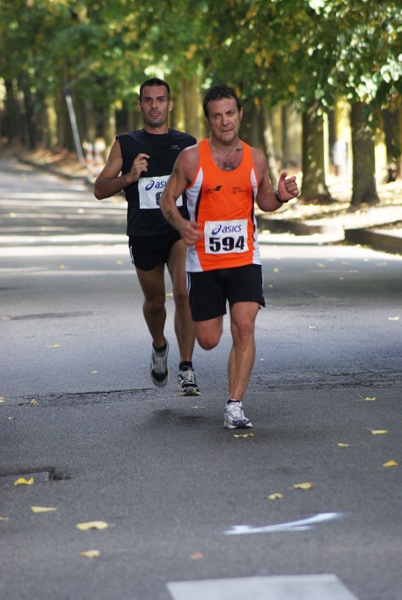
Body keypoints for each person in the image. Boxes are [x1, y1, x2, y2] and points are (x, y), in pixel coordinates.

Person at [160, 84, 299, 428]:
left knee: (245, 327)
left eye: (230, 113)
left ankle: (234, 404)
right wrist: (181, 224)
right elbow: (167, 199)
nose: (225, 121)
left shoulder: (256, 157)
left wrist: (280, 197)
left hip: (245, 258)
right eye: (217, 115)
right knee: (208, 340)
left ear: (240, 114)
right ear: (208, 120)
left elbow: (264, 199)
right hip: (203, 262)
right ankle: (223, 383)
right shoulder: (192, 158)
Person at [94, 77, 200, 396]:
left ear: (170, 104)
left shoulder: (187, 143)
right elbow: (99, 189)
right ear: (140, 105)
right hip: (144, 233)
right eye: (148, 100)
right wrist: (130, 176)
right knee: (155, 302)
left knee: (183, 293)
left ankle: (186, 367)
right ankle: (159, 347)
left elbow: (200, 187)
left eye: (160, 99)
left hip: (178, 229)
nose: (154, 105)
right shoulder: (126, 144)